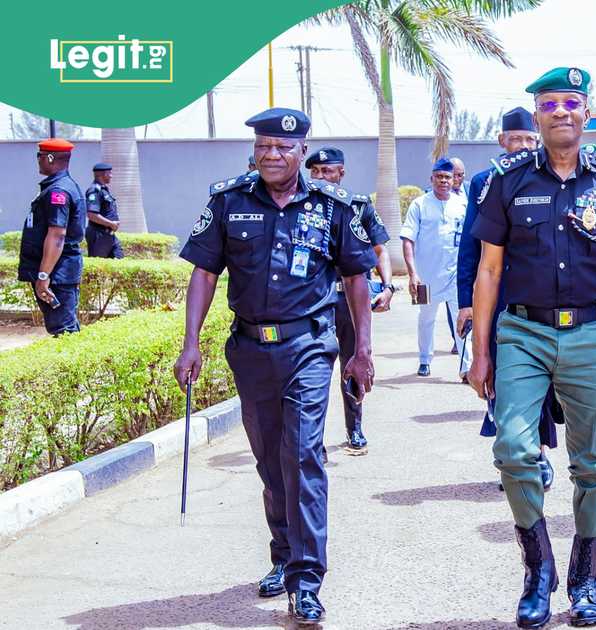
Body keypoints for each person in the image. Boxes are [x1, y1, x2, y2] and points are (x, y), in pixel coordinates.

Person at [467, 66, 596, 629]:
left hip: (594, 334)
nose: (562, 113)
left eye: (572, 102)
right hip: (523, 332)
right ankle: (539, 570)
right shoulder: (507, 180)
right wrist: (480, 353)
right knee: (514, 451)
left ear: (588, 112)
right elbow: (489, 269)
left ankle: (586, 575)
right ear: (537, 114)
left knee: (591, 465)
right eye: (550, 105)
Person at [173, 108, 378, 625]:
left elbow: (357, 279)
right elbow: (204, 273)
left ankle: (306, 579)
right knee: (269, 460)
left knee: (303, 454)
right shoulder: (229, 201)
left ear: (302, 151)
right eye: (264, 145)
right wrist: (190, 341)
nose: (272, 154)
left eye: (284, 147)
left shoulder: (332, 206)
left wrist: (362, 350)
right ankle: (284, 556)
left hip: (308, 346)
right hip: (249, 349)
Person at [457, 106, 559, 489]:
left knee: (540, 378)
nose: (522, 146)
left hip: (534, 293)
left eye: (529, 140)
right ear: (502, 141)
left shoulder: (546, 175)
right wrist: (466, 302)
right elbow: (470, 246)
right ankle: (510, 452)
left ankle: (539, 454)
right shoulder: (484, 182)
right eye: (515, 140)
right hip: (494, 297)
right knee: (497, 376)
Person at [306, 146, 394, 454]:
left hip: (348, 304)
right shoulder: (299, 208)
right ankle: (312, 440)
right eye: (315, 172)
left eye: (327, 171)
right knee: (313, 372)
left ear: (341, 173)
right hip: (317, 304)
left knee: (353, 364)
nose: (320, 177)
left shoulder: (357, 206)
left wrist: (387, 286)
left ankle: (354, 429)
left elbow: (380, 249)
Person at [401, 158, 468, 377]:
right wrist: (412, 274)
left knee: (463, 318)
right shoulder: (419, 205)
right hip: (426, 277)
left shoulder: (463, 205)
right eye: (439, 177)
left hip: (456, 275)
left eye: (447, 177)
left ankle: (466, 366)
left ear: (453, 180)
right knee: (426, 319)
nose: (443, 181)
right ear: (431, 179)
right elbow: (408, 239)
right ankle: (424, 360)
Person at [19, 138, 86, 336]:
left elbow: (57, 235)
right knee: (63, 328)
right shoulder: (58, 186)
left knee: (63, 330)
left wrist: (43, 276)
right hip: (58, 272)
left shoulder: (59, 191)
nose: (38, 160)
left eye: (39, 156)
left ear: (49, 158)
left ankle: (75, 367)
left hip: (57, 274)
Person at [84, 163, 123, 259]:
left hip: (109, 234)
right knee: (98, 266)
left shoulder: (104, 190)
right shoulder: (94, 191)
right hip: (98, 235)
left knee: (119, 259)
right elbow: (91, 214)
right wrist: (111, 224)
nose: (111, 176)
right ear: (103, 174)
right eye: (109, 173)